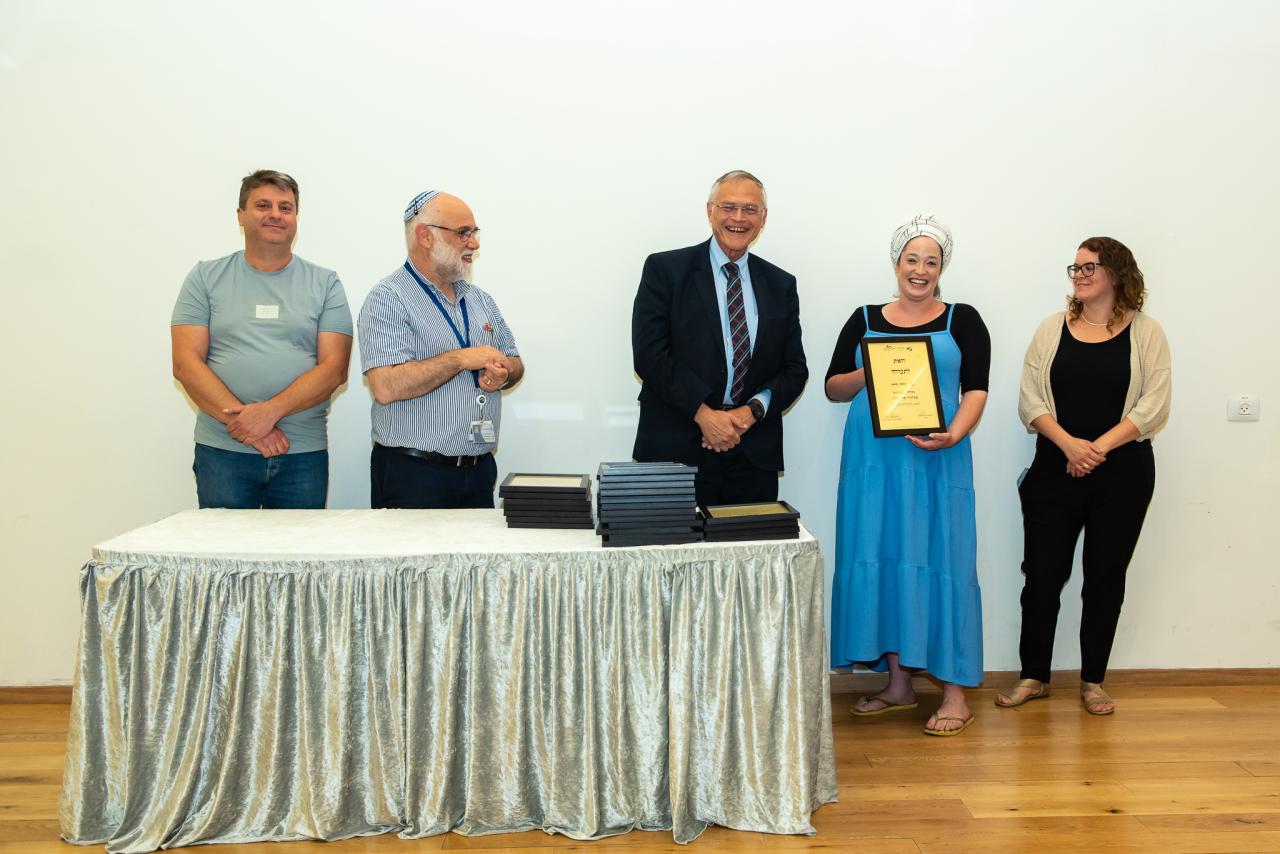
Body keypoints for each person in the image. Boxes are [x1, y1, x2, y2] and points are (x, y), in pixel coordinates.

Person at [826, 216, 990, 736]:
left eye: (931, 262)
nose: (920, 270)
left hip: (937, 458)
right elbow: (833, 387)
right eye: (912, 259)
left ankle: (955, 695)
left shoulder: (964, 319)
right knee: (885, 557)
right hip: (873, 463)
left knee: (942, 561)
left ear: (942, 269)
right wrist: (874, 367)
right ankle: (898, 686)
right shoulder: (863, 317)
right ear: (896, 263)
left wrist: (955, 433)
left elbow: (977, 388)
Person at [996, 237, 1170, 715]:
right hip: (1055, 467)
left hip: (1124, 474)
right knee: (1042, 576)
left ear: (1117, 272)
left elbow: (1154, 405)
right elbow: (1029, 399)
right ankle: (1033, 676)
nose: (1079, 274)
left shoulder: (1147, 332)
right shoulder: (1051, 328)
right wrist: (1070, 446)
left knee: (1105, 577)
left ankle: (1093, 681)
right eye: (1075, 267)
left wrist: (1097, 449)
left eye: (1089, 266)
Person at [171, 169, 353, 509]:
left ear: (296, 218)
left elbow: (335, 369)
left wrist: (269, 413)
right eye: (263, 205)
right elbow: (185, 364)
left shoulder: (326, 283)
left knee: (300, 546)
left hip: (301, 454)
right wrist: (248, 426)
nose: (275, 214)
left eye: (286, 208)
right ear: (240, 215)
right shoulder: (204, 278)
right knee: (225, 545)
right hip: (224, 451)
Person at [631, 170, 808, 506]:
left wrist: (750, 413)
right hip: (676, 448)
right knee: (674, 544)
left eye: (750, 209)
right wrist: (704, 414)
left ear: (763, 218)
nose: (738, 218)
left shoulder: (781, 284)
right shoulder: (665, 270)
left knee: (748, 543)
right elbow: (650, 356)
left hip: (752, 456)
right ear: (710, 210)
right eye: (728, 207)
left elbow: (795, 370)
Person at [357, 190, 522, 509]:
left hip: (478, 471)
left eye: (475, 232)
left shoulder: (480, 300)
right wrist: (460, 359)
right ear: (425, 236)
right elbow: (386, 387)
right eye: (463, 233)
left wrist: (504, 373)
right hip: (414, 475)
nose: (474, 243)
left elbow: (515, 362)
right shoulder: (388, 298)